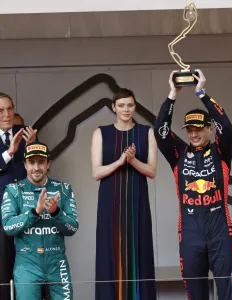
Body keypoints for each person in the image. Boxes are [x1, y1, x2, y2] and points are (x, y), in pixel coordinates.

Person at [154, 70, 232, 300]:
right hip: (190, 232)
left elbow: (226, 125)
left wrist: (202, 93)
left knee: (228, 292)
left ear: (209, 129)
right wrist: (172, 95)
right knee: (195, 294)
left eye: (198, 129)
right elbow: (160, 132)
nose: (193, 134)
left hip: (220, 230)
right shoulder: (178, 154)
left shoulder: (221, 152)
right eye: (190, 130)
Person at [91, 88, 158, 300]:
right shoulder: (101, 132)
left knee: (139, 252)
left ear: (135, 106)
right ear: (114, 108)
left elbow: (152, 171)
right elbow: (96, 172)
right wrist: (120, 161)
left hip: (137, 203)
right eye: (121, 105)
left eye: (129, 105)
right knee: (110, 254)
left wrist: (133, 161)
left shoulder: (146, 132)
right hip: (109, 204)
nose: (125, 109)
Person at [0, 141, 79, 299]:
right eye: (31, 162)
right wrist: (34, 212)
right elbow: (8, 227)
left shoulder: (63, 189)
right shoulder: (13, 190)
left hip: (57, 264)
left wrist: (56, 212)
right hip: (27, 264)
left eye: (41, 162)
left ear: (48, 163)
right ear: (25, 165)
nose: (36, 167)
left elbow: (73, 228)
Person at [0, 92, 37, 300]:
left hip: (28, 212)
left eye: (10, 109)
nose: (7, 114)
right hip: (1, 216)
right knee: (3, 271)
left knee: (30, 269)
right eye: (1, 111)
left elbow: (39, 170)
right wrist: (9, 152)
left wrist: (31, 147)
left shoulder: (26, 134)